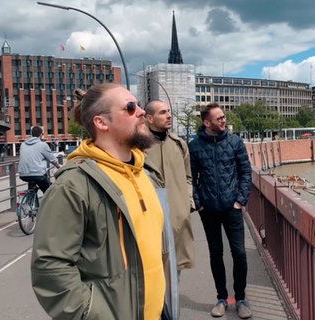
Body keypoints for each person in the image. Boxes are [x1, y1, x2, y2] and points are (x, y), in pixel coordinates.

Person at [31, 83, 168, 320]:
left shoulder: (145, 172)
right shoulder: (73, 185)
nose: (142, 112)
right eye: (130, 107)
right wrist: (93, 315)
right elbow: (50, 268)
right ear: (101, 123)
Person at [189, 103, 253, 319]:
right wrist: (199, 203)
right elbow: (191, 178)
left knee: (240, 253)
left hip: (231, 208)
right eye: (219, 118)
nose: (224, 121)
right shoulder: (195, 146)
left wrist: (240, 200)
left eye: (224, 117)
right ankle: (221, 298)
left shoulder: (235, 142)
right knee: (216, 254)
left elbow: (246, 172)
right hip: (208, 210)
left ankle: (241, 299)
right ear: (207, 123)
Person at [144, 100, 195, 272]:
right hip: (149, 219)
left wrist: (187, 204)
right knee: (152, 269)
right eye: (163, 112)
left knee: (175, 269)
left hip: (177, 219)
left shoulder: (179, 144)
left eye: (168, 111)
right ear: (149, 119)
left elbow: (188, 177)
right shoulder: (138, 146)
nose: (169, 115)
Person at [18, 126, 61, 193]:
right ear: (41, 134)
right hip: (38, 174)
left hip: (23, 174)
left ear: (31, 134)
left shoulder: (23, 144)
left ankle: (30, 199)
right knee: (48, 192)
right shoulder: (43, 145)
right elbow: (52, 159)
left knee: (32, 186)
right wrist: (58, 166)